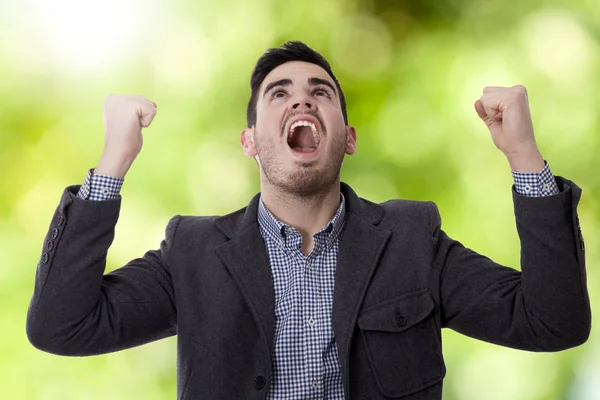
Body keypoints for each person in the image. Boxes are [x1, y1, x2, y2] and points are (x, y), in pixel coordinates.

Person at [26, 41, 590, 400]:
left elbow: (553, 323)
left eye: (320, 92)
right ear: (249, 141)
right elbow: (61, 327)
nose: (302, 102)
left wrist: (524, 157)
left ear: (348, 138)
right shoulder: (192, 252)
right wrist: (112, 163)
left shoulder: (413, 241)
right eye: (279, 94)